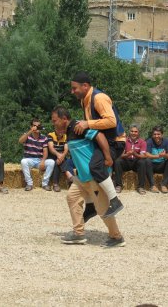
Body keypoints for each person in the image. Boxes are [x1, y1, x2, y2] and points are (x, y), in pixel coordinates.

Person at [51, 106, 125, 247]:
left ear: (64, 119)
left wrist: (108, 157)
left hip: (93, 178)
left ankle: (117, 237)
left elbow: (100, 136)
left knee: (102, 208)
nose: (53, 123)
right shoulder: (68, 132)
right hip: (81, 178)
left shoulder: (79, 127)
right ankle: (78, 234)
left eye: (55, 120)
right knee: (72, 198)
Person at [70, 72, 124, 216]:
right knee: (83, 167)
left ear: (85, 86)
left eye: (74, 88)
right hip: (103, 140)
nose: (72, 91)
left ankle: (115, 200)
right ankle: (90, 205)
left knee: (94, 166)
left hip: (115, 142)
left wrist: (88, 123)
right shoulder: (84, 100)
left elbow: (111, 121)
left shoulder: (99, 98)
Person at [19, 118, 55, 191]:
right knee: (23, 161)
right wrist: (30, 131)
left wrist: (43, 161)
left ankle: (45, 183)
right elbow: (20, 141)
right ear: (31, 126)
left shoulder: (44, 137)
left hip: (39, 160)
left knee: (51, 162)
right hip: (29, 159)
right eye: (34, 125)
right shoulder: (27, 136)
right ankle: (29, 184)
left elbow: (45, 151)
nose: (37, 127)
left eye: (38, 126)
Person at [114, 125, 148, 195]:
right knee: (117, 161)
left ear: (138, 133)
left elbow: (143, 156)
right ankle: (118, 185)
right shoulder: (124, 141)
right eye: (132, 131)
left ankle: (141, 187)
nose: (133, 133)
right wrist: (127, 154)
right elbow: (120, 155)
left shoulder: (142, 142)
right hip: (126, 161)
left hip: (136, 162)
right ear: (129, 132)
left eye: (135, 131)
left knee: (142, 162)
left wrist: (135, 154)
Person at [145, 125, 168, 194]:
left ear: (162, 135)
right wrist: (158, 156)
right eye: (154, 134)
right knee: (147, 160)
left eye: (158, 134)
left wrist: (164, 155)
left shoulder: (167, 142)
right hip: (152, 165)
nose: (156, 136)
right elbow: (146, 154)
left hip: (162, 165)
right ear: (152, 135)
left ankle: (163, 184)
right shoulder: (149, 141)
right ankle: (152, 185)